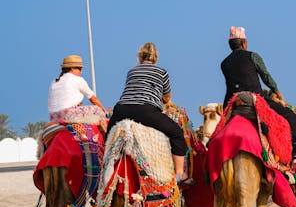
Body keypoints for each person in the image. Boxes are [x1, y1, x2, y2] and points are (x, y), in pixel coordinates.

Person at [221, 26, 296, 164]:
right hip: (256, 98)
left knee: (218, 132)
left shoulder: (224, 63)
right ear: (244, 43)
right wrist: (277, 91)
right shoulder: (253, 56)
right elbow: (266, 76)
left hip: (233, 102)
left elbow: (231, 85)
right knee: (290, 115)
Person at [107, 42, 193, 186]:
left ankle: (104, 168)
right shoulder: (162, 72)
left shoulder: (131, 71)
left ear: (140, 57)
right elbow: (167, 97)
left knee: (108, 137)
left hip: (121, 109)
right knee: (177, 133)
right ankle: (181, 174)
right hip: (145, 111)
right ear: (155, 58)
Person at [48, 55, 107, 124]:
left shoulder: (54, 81)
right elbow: (94, 99)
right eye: (80, 69)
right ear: (72, 68)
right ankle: (105, 133)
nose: (81, 72)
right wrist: (104, 111)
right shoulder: (78, 79)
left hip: (53, 117)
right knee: (98, 110)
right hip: (68, 115)